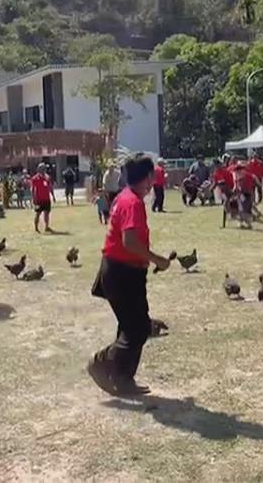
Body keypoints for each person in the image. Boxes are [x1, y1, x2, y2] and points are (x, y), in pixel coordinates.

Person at [87, 157, 172, 397]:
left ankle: (122, 379)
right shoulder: (131, 202)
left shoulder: (126, 197)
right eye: (152, 177)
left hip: (123, 270)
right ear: (147, 178)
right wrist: (158, 260)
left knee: (131, 326)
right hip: (122, 272)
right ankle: (100, 363)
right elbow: (130, 241)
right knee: (137, 329)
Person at [30, 163, 54, 233]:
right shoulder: (35, 178)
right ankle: (36, 228)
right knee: (38, 214)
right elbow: (32, 189)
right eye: (43, 169)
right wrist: (33, 198)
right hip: (39, 199)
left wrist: (53, 195)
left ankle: (47, 227)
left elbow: (50, 187)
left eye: (44, 169)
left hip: (47, 199)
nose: (44, 170)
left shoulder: (47, 177)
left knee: (47, 213)